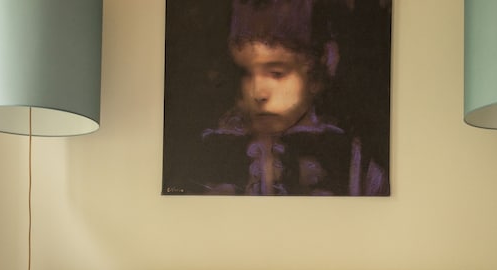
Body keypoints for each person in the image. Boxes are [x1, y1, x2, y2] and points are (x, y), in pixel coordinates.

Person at [166, 0, 389, 196]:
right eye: (246, 73)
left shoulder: (353, 162)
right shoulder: (213, 149)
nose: (258, 93)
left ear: (315, 74)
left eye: (276, 73)